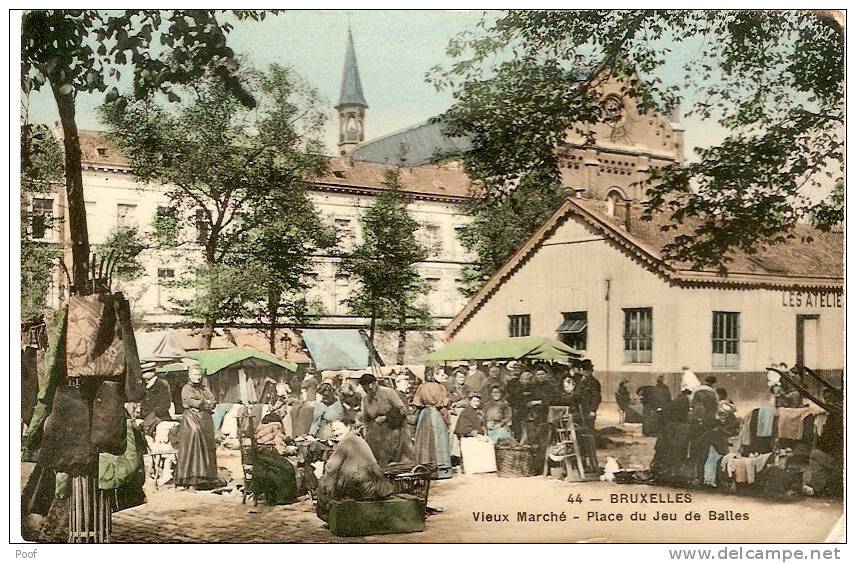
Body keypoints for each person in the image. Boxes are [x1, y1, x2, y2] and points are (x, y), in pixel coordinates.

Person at [315, 421, 395, 522]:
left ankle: (331, 519)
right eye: (333, 430)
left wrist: (327, 488)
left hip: (364, 486)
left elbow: (331, 468)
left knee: (324, 483)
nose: (335, 432)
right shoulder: (358, 439)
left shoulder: (346, 442)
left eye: (338, 429)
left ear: (348, 427)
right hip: (379, 486)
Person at [175, 362, 218, 490]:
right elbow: (194, 402)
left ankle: (206, 478)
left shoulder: (205, 388)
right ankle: (191, 479)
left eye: (199, 374)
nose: (197, 377)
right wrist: (205, 402)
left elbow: (213, 401)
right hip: (191, 419)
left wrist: (206, 403)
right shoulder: (186, 389)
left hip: (205, 420)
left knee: (208, 447)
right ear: (189, 375)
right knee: (194, 445)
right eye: (195, 374)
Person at [359, 373, 411, 466]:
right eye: (365, 389)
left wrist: (386, 417)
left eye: (369, 387)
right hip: (375, 433)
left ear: (375, 383)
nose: (368, 390)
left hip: (392, 428)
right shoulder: (365, 399)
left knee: (392, 455)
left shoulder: (388, 392)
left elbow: (402, 409)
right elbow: (365, 419)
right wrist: (366, 434)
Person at [412, 371, 454, 479]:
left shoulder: (421, 387)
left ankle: (424, 468)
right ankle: (441, 470)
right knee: (439, 440)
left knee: (424, 442)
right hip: (436, 415)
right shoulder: (440, 387)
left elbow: (417, 403)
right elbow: (443, 403)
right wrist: (447, 419)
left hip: (424, 415)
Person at [139, 362, 173, 435]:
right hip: (146, 416)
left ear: (153, 372)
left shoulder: (161, 384)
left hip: (159, 416)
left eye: (145, 372)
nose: (142, 375)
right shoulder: (144, 385)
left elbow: (165, 404)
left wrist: (153, 414)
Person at [577, 360, 602, 428]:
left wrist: (593, 410)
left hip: (588, 410)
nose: (586, 373)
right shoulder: (580, 381)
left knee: (589, 430)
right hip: (579, 410)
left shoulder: (594, 382)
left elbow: (597, 397)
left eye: (588, 371)